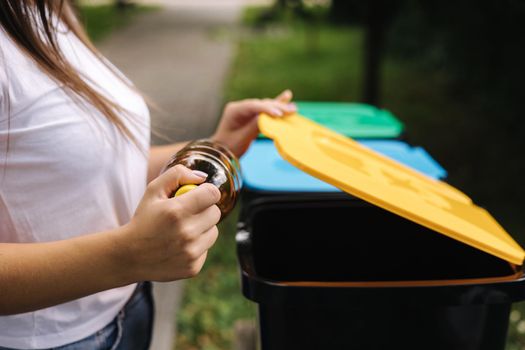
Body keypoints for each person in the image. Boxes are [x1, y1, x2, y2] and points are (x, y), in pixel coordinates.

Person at [0, 1, 296, 349]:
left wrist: (214, 147)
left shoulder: (44, 11)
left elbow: (91, 169)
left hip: (127, 310)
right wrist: (127, 255)